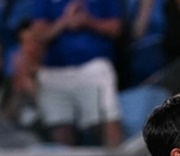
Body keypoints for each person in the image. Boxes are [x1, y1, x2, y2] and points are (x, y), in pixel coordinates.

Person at [31, 0, 124, 146]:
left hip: (94, 68)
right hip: (55, 72)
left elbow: (116, 28)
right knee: (61, 133)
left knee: (109, 126)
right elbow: (38, 34)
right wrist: (64, 22)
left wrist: (88, 21)